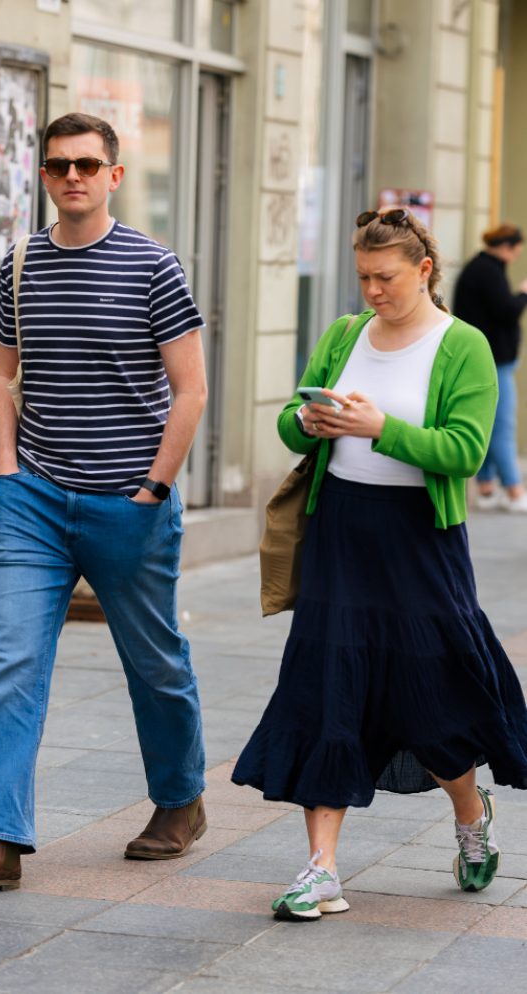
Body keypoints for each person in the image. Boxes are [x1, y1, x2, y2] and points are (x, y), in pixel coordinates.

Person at [0, 113, 209, 891]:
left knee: (154, 664)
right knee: (9, 663)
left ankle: (181, 800)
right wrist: (10, 469)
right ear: (44, 176)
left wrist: (153, 485)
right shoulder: (20, 262)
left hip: (130, 500)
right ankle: (0, 842)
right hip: (33, 501)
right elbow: (4, 373)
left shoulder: (155, 267)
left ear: (114, 175)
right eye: (58, 166)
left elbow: (190, 390)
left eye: (88, 164)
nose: (73, 177)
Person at [232, 207, 527, 922]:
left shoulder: (464, 346)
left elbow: (463, 451)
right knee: (326, 689)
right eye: (363, 277)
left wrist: (379, 428)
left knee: (432, 697)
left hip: (420, 543)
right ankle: (321, 870)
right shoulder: (343, 334)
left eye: (385, 277)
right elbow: (287, 421)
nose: (372, 291)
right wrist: (306, 420)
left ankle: (467, 810)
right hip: (341, 532)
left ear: (424, 269)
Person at [453, 223, 527, 512]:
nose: (517, 256)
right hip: (493, 363)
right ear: (507, 247)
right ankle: (514, 491)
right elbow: (507, 311)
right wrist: (523, 293)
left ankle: (485, 489)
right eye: (517, 250)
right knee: (501, 427)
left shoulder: (481, 267)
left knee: (490, 424)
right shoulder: (487, 271)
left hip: (487, 360)